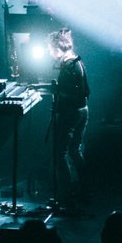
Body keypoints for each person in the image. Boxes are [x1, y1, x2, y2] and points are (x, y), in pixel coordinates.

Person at [47, 28, 90, 208]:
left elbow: (72, 93)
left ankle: (65, 195)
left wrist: (56, 91)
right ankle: (84, 190)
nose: (49, 52)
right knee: (74, 151)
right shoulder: (75, 61)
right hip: (82, 111)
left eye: (50, 48)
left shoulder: (69, 65)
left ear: (57, 48)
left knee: (60, 153)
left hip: (72, 113)